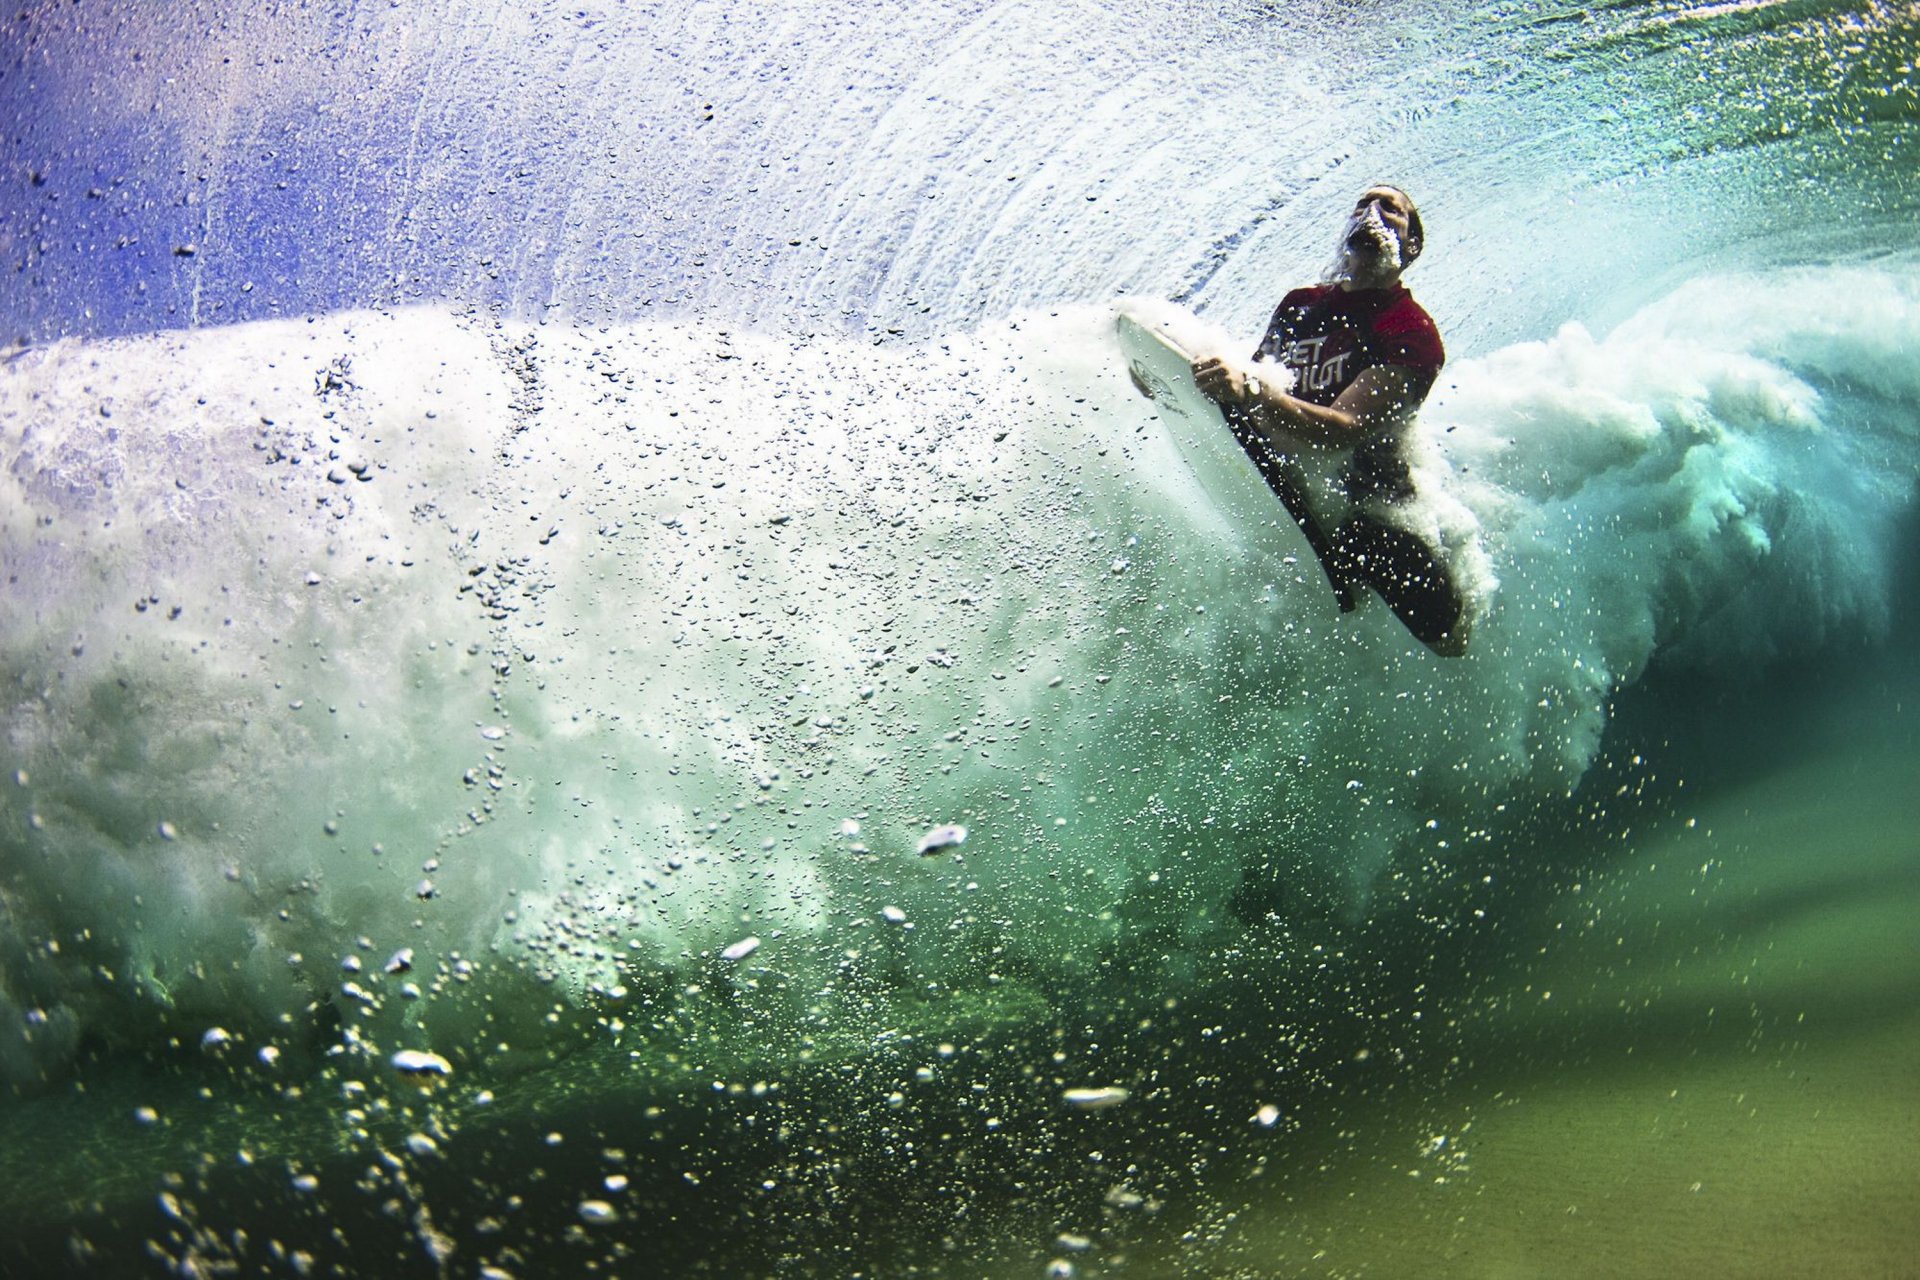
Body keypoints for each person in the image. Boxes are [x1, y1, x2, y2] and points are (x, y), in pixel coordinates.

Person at [1191, 185, 1470, 657]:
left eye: (1391, 209)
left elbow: (1344, 427)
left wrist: (1250, 389)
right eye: (1362, 204)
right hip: (1296, 477)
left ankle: (1457, 623)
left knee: (1448, 641)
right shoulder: (1299, 305)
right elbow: (1250, 390)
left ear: (1412, 245)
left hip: (1373, 506)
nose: (1371, 213)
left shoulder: (1409, 329)